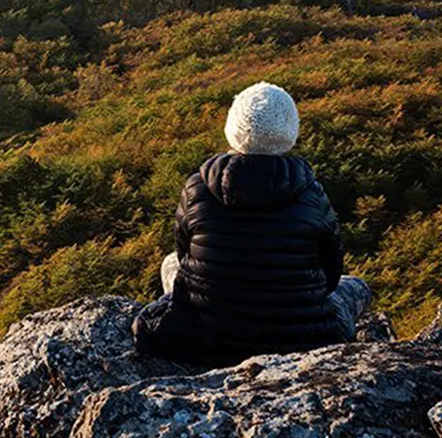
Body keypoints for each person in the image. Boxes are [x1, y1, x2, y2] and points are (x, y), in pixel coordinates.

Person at [134, 82, 372, 369]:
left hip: (203, 340)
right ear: (289, 132)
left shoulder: (197, 186)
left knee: (170, 263)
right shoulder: (311, 193)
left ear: (233, 127)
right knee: (356, 286)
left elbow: (185, 256)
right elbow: (331, 274)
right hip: (302, 342)